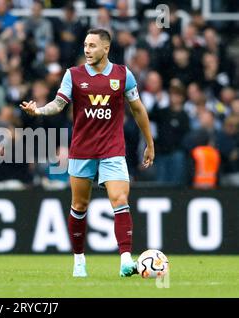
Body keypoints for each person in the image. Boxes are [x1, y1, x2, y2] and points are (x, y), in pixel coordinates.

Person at [20, 29, 154, 278]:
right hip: (82, 149)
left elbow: (137, 109)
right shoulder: (74, 75)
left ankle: (125, 259)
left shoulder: (123, 75)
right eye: (85, 45)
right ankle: (79, 260)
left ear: (106, 48)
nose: (87, 50)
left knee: (120, 200)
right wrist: (38, 112)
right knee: (79, 205)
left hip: (112, 149)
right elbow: (58, 104)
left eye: (92, 45)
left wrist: (149, 142)